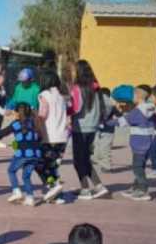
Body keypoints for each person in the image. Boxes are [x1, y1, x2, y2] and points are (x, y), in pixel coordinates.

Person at [109, 85, 156, 201]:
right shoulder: (150, 108)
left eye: (133, 95)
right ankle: (136, 187)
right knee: (140, 166)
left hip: (139, 143)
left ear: (138, 96)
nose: (132, 97)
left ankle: (143, 190)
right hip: (150, 141)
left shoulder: (138, 111)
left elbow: (122, 121)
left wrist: (105, 123)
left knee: (137, 167)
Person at [68, 60, 109, 200]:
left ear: (79, 72)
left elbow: (76, 108)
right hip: (92, 127)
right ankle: (98, 186)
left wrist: (66, 110)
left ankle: (85, 189)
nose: (72, 73)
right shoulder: (96, 87)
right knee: (85, 159)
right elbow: (103, 107)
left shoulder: (77, 88)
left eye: (73, 71)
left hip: (80, 127)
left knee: (78, 160)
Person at [0, 103, 41, 207]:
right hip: (35, 154)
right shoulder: (34, 122)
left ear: (18, 113)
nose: (13, 114)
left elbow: (2, 133)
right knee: (26, 176)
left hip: (23, 154)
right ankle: (30, 198)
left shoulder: (16, 124)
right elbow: (39, 137)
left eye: (14, 112)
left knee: (11, 170)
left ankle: (16, 191)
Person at [36, 70, 69, 203]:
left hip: (49, 136)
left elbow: (43, 114)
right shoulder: (61, 96)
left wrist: (35, 122)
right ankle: (57, 196)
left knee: (39, 164)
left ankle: (53, 187)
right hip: (62, 137)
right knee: (53, 166)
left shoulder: (44, 95)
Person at [92, 88, 117, 173]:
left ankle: (106, 166)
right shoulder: (106, 104)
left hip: (107, 130)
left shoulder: (109, 105)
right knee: (98, 146)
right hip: (102, 129)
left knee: (104, 148)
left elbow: (119, 115)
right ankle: (98, 160)